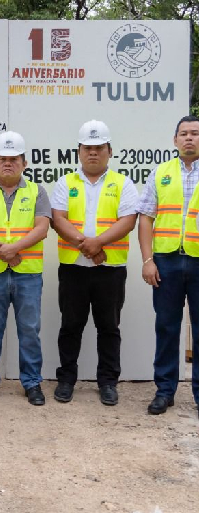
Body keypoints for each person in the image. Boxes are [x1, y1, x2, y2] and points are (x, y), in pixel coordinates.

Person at [51, 120, 138, 406]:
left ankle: (108, 382)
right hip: (73, 269)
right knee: (70, 326)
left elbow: (127, 221)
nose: (93, 153)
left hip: (110, 270)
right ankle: (66, 380)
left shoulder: (123, 183)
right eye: (87, 148)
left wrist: (97, 244)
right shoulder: (65, 182)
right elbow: (58, 219)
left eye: (98, 148)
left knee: (109, 328)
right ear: (78, 151)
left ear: (109, 151)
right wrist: (88, 247)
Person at [0, 131, 51, 405]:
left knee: (29, 329)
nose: (8, 163)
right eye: (3, 158)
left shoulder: (37, 191)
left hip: (28, 274)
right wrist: (2, 250)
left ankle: (32, 383)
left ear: (24, 163)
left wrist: (13, 249)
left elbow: (42, 228)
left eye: (14, 159)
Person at [137, 115, 199, 418]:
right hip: (167, 262)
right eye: (184, 134)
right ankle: (165, 391)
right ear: (174, 140)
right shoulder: (160, 173)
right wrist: (148, 260)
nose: (189, 138)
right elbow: (146, 217)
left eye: (195, 134)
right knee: (166, 327)